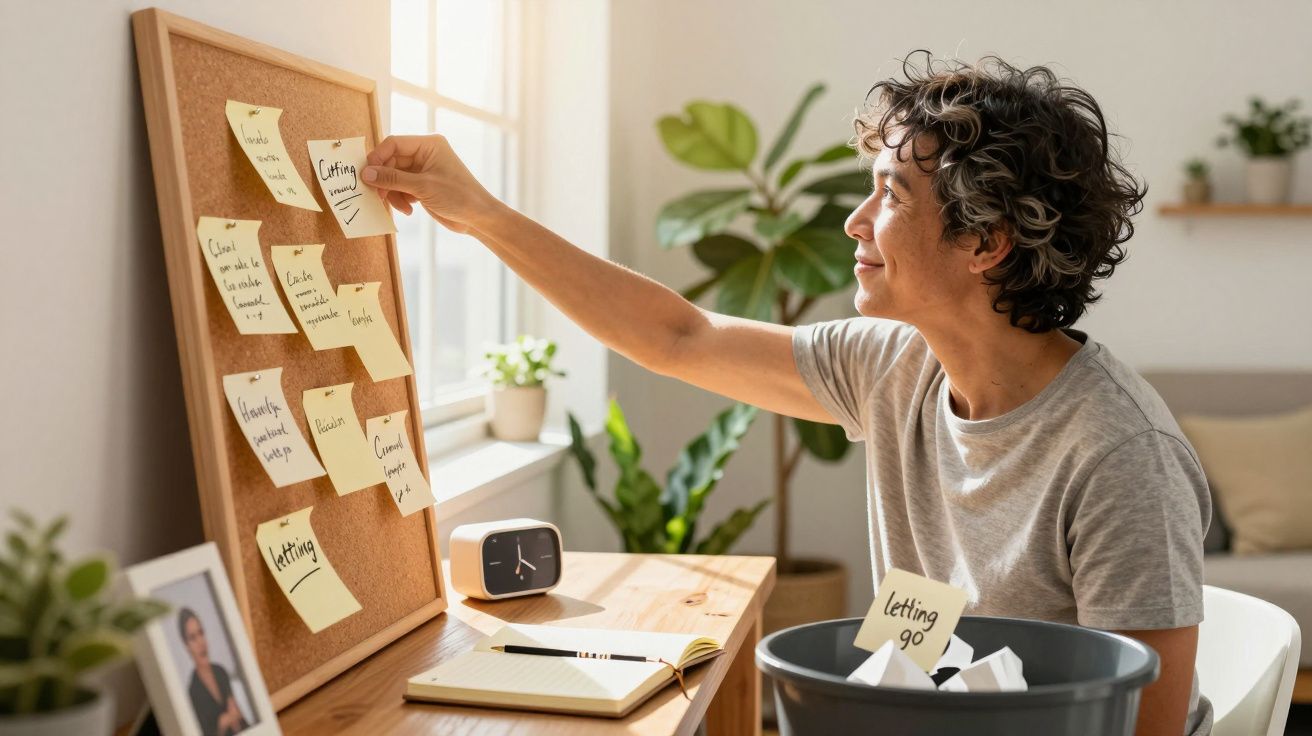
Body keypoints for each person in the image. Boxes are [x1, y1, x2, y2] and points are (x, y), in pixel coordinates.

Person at [362, 52, 1211, 736]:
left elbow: (1146, 725)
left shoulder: (1121, 455)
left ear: (984, 242)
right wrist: (478, 212)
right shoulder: (894, 366)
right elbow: (678, 337)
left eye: (889, 195)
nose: (854, 220)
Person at [178, 607, 249, 736]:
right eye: (193, 638)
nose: (201, 642)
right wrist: (222, 724)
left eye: (201, 633)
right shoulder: (193, 691)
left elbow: (239, 720)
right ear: (186, 645)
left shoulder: (221, 672)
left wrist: (234, 718)